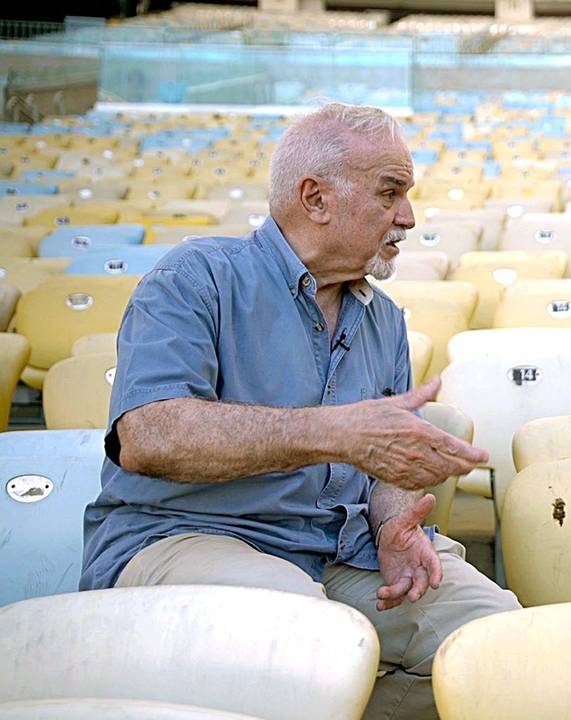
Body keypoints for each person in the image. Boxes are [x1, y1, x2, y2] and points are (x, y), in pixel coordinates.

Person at [81, 102, 520, 720]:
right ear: (315, 199)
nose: (408, 217)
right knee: (302, 633)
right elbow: (148, 435)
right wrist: (333, 432)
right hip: (185, 537)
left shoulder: (383, 319)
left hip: (337, 550)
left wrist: (394, 522)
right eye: (390, 193)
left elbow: (385, 463)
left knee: (499, 642)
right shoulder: (196, 277)